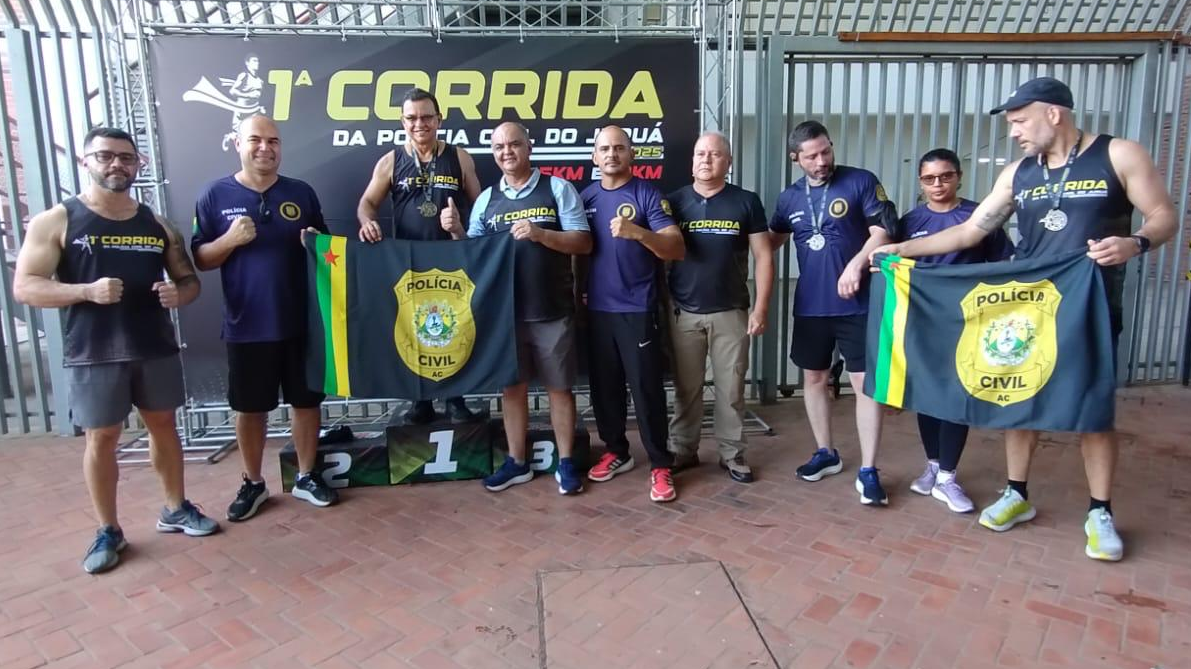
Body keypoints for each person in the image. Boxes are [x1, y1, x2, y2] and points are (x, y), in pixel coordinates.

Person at [872, 77, 1177, 560]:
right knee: (1019, 398)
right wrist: (902, 249)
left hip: (1089, 307)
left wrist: (1135, 242)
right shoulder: (1018, 173)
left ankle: (1100, 511)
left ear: (1052, 113)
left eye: (1018, 121)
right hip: (1028, 310)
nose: (1013, 132)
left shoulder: (1120, 155)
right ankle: (1017, 494)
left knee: (1092, 409)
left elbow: (1164, 214)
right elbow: (970, 231)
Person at [14, 127, 219, 574]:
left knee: (164, 427)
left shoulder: (157, 224)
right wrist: (86, 290)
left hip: (154, 344)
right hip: (93, 350)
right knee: (102, 437)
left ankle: (175, 508)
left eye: (126, 158)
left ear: (137, 165)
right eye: (106, 156)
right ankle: (108, 528)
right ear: (86, 161)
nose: (116, 165)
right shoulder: (58, 219)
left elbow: (189, 282)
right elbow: (26, 286)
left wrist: (178, 295)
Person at [193, 114, 337, 521]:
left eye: (273, 141)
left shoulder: (301, 192)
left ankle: (307, 475)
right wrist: (230, 240)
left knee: (306, 402)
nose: (265, 148)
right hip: (247, 323)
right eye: (255, 140)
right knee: (250, 408)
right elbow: (200, 257)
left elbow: (325, 248)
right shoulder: (214, 194)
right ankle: (253, 482)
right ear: (237, 143)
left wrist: (316, 243)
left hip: (302, 321)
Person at [454, 122, 592, 495]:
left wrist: (541, 234)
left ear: (528, 148)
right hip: (505, 315)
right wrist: (455, 232)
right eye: (499, 147)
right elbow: (474, 256)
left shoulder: (558, 189)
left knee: (559, 389)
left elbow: (583, 242)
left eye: (514, 144)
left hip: (552, 310)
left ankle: (565, 464)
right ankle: (517, 463)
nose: (506, 152)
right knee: (511, 390)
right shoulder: (485, 200)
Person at [768, 120, 898, 506]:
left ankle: (869, 470)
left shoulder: (860, 181)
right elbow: (771, 239)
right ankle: (826, 452)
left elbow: (883, 232)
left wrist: (857, 263)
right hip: (811, 305)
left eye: (826, 151)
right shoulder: (789, 198)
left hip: (857, 303)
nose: (822, 160)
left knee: (863, 384)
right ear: (796, 159)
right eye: (812, 155)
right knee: (814, 378)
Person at [356, 88, 483, 425]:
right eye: (411, 118)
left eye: (427, 117)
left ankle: (456, 399)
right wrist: (367, 221)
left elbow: (482, 207)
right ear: (402, 122)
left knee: (454, 330)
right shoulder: (390, 161)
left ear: (439, 119)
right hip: (408, 263)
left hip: (453, 260)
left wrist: (462, 226)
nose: (419, 124)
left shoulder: (460, 157)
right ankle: (420, 401)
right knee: (416, 332)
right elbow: (366, 203)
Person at [897, 148, 1014, 513]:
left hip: (968, 326)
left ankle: (948, 476)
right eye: (929, 178)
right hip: (923, 325)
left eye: (945, 176)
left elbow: (1003, 268)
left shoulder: (979, 217)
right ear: (920, 182)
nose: (938, 184)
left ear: (958, 176)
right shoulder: (909, 221)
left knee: (957, 398)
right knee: (927, 396)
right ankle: (933, 465)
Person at [581, 125, 685, 502]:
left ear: (631, 154)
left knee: (645, 389)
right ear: (594, 156)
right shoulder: (586, 197)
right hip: (597, 311)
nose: (611, 154)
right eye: (604, 149)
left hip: (637, 309)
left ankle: (660, 463)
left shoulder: (647, 194)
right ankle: (616, 451)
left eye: (619, 148)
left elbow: (675, 248)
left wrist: (639, 233)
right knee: (604, 387)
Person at [666, 131, 774, 483]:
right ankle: (683, 449)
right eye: (700, 154)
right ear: (692, 161)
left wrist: (760, 308)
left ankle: (732, 454)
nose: (706, 160)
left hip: (731, 311)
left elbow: (763, 255)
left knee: (731, 389)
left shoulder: (746, 201)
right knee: (686, 387)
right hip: (683, 311)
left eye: (714, 154)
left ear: (728, 161)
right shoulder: (674, 202)